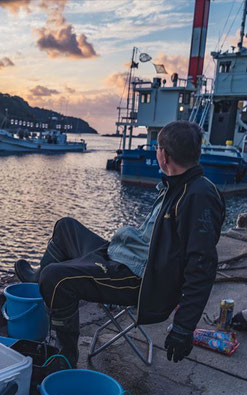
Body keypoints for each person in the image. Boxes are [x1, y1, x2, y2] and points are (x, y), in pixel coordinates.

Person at [14, 120, 226, 366]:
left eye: (157, 148)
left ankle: (65, 356)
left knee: (55, 278)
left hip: (140, 280)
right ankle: (36, 280)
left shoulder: (198, 196)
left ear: (164, 155)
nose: (156, 152)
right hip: (123, 256)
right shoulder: (178, 184)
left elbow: (202, 266)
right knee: (65, 227)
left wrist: (183, 327)